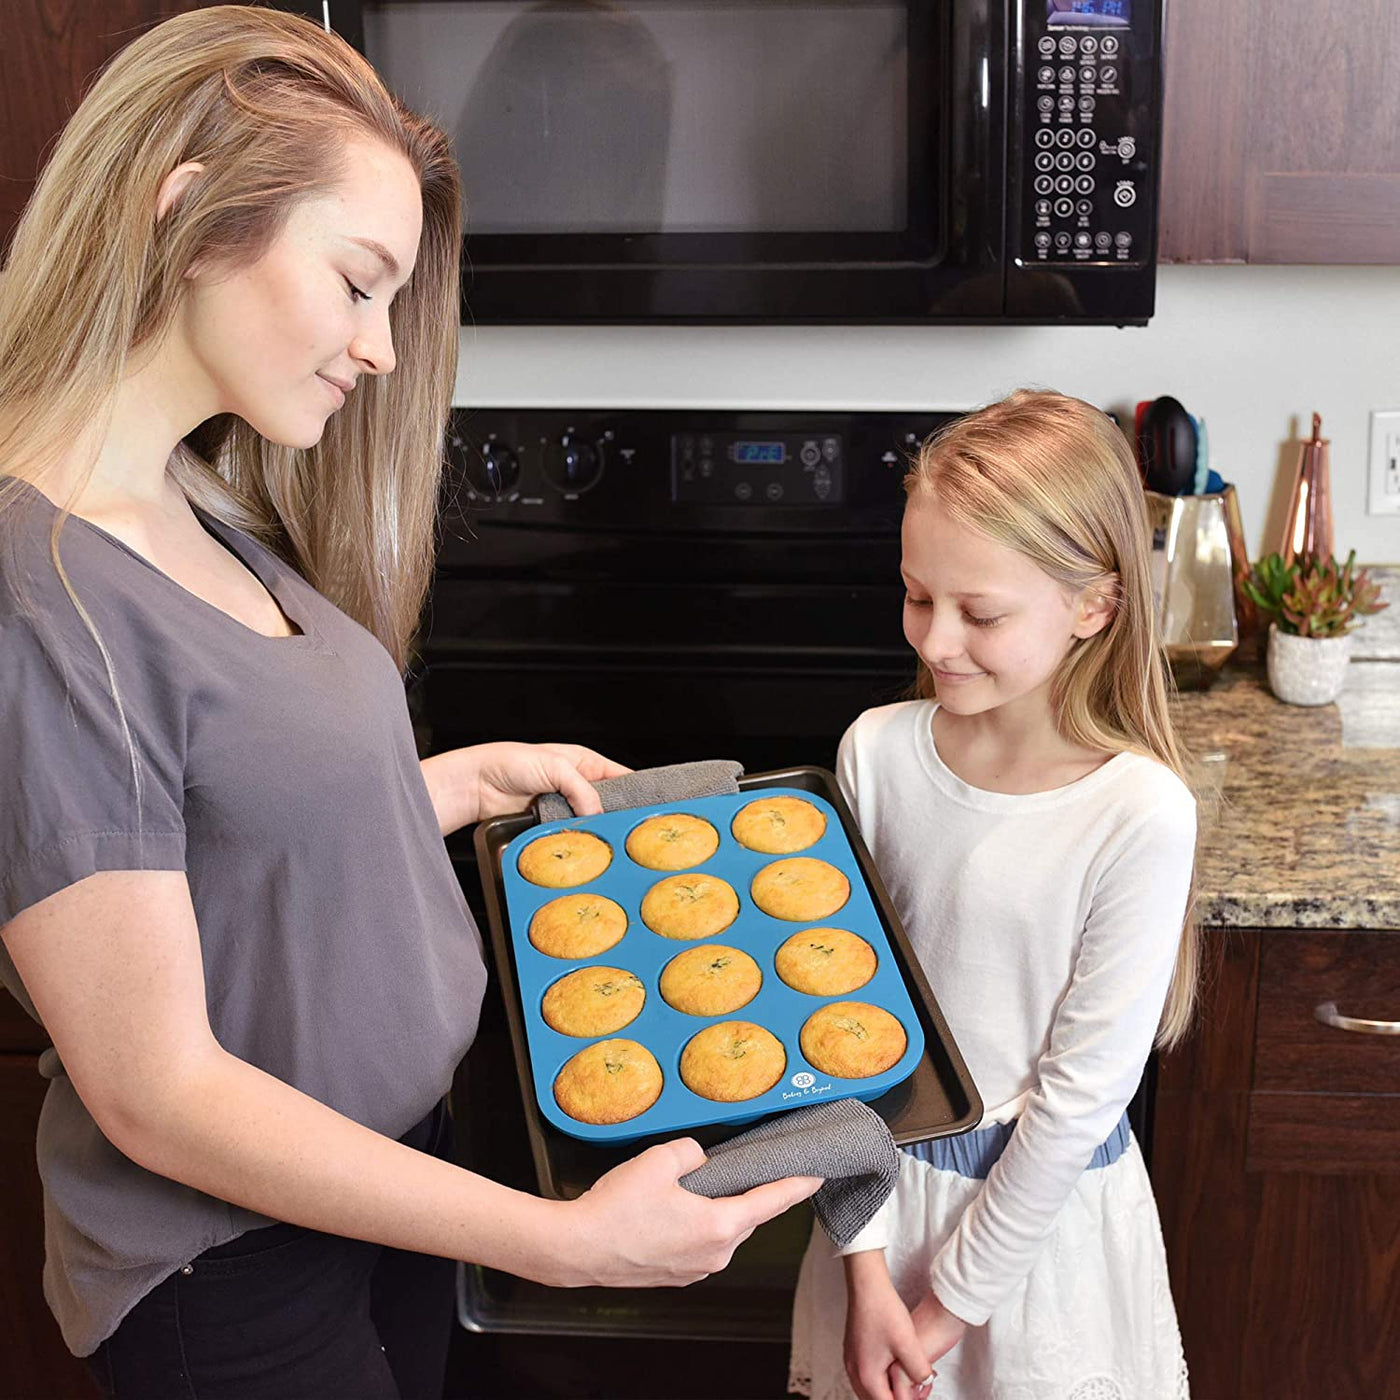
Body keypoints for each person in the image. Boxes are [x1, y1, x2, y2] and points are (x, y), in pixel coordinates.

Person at [0, 9, 819, 1396]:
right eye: (360, 282)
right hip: (235, 1266)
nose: (383, 350)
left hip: (384, 1189)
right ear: (194, 216)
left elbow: (222, 846)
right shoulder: (38, 592)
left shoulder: (194, 501)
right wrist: (559, 1243)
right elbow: (157, 1089)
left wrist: (451, 782)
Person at [788, 390, 1198, 1400]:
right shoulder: (874, 753)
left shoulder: (1137, 811)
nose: (934, 640)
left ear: (1092, 606)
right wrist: (867, 1264)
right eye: (915, 594)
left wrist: (939, 1313)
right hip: (872, 1205)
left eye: (980, 612)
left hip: (1037, 1239)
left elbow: (1072, 1105)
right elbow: (832, 1016)